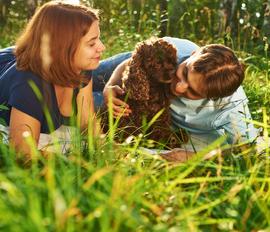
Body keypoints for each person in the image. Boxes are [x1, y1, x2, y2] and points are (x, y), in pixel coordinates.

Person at [0, 0, 106, 158]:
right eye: (91, 44)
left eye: (99, 39)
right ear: (64, 47)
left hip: (41, 57)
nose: (102, 47)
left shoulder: (80, 66)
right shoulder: (28, 84)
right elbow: (23, 154)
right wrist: (80, 163)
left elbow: (86, 121)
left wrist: (111, 150)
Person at [92, 37, 258, 160]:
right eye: (184, 72)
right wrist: (109, 86)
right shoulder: (177, 50)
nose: (179, 87)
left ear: (212, 99)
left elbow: (247, 148)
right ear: (192, 55)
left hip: (144, 101)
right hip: (138, 67)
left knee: (83, 104)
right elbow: (132, 61)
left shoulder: (232, 106)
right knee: (79, 72)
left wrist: (196, 157)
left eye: (192, 91)